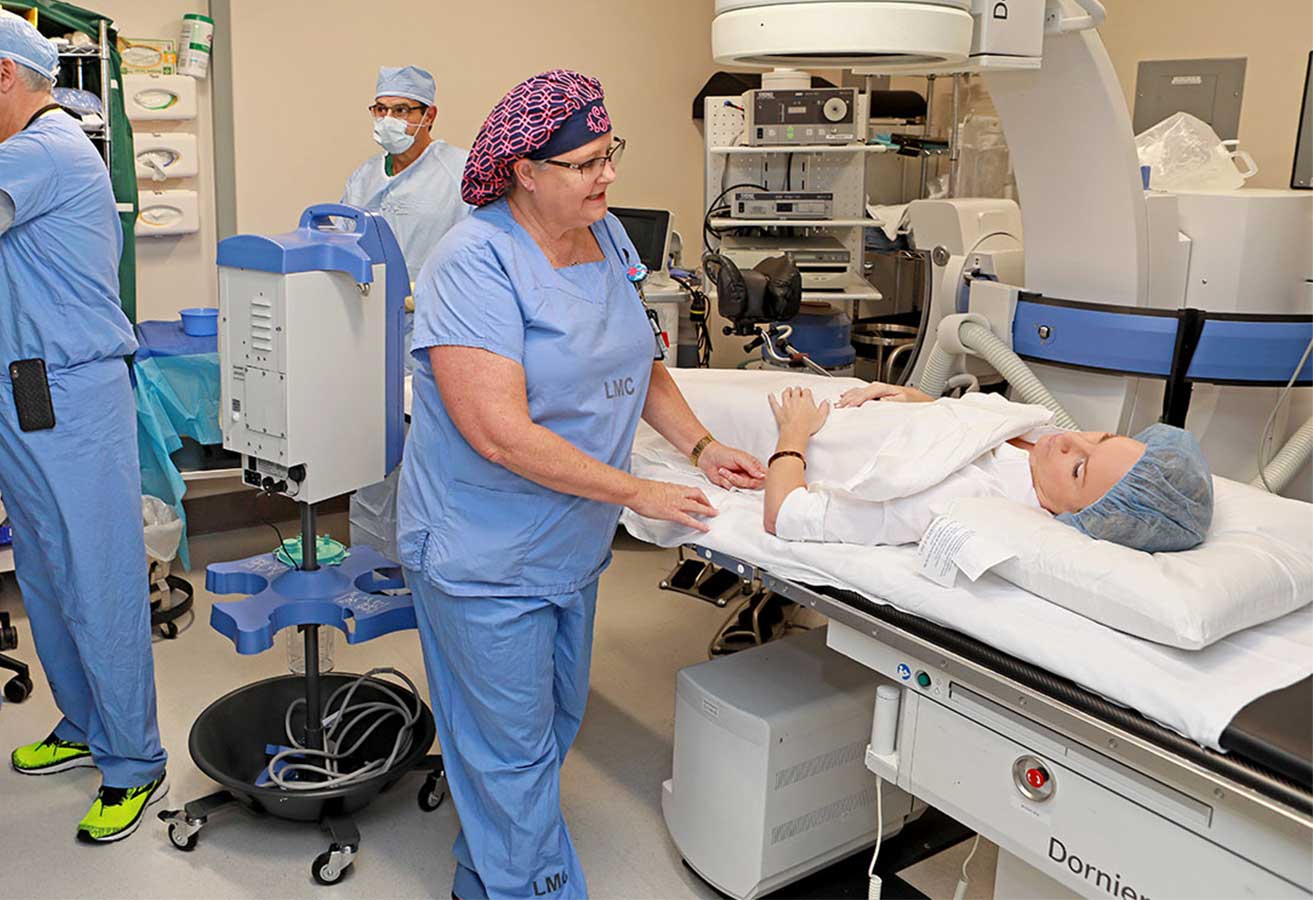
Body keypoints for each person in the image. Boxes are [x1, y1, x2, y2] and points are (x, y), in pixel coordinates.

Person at [397, 69, 766, 899]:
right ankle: (524, 887)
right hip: (480, 546)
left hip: (567, 539)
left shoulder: (608, 240)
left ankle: (485, 864)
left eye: (610, 156)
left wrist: (701, 445)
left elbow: (640, 361)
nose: (606, 177)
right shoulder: (473, 261)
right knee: (510, 744)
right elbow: (498, 433)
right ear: (526, 171)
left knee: (553, 723)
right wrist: (640, 493)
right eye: (585, 163)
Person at [0, 13, 168, 842]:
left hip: (69, 392)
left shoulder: (45, 149)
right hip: (26, 390)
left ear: (3, 75)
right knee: (44, 572)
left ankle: (134, 760)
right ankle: (83, 723)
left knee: (95, 577)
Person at [763, 382, 1214, 553]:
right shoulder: (1037, 441)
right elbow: (970, 428)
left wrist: (793, 435)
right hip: (825, 399)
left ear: (1079, 516)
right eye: (1100, 437)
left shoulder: (964, 500)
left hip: (783, 425)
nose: (1070, 441)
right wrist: (919, 402)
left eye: (1080, 469)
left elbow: (784, 515)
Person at [342, 65, 470, 285]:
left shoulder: (460, 171)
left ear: (429, 116)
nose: (388, 119)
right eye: (381, 109)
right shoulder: (364, 177)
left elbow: (481, 248)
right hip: (368, 309)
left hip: (435, 311)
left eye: (401, 110)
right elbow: (341, 240)